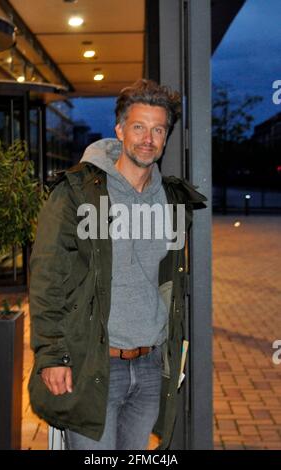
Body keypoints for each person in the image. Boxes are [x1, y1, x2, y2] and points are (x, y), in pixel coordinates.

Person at [28, 79, 206, 450]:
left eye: (158, 129)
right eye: (139, 126)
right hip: (92, 365)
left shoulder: (173, 201)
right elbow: (47, 277)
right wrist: (52, 354)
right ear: (120, 129)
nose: (148, 138)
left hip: (151, 366)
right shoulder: (78, 191)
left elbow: (171, 285)